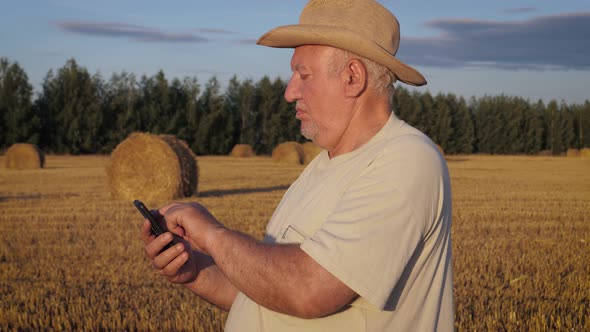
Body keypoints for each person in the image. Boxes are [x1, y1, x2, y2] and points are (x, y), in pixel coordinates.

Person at [140, 0, 454, 331]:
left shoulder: (405, 161)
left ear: (352, 77)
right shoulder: (322, 167)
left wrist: (212, 235)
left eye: (303, 74)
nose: (290, 92)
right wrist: (194, 270)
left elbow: (308, 290)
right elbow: (268, 292)